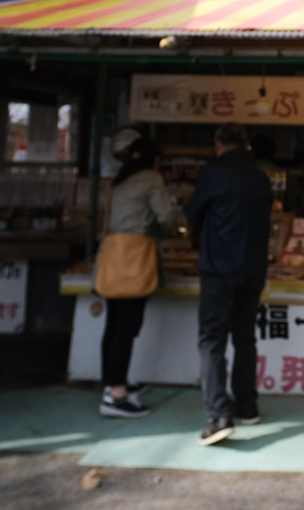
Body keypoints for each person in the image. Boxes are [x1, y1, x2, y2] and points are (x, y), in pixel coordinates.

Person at [186, 123, 273, 446]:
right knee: (245, 338)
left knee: (212, 341)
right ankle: (247, 406)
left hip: (219, 269)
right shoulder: (260, 177)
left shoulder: (213, 175)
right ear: (246, 144)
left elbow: (193, 218)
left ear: (217, 142)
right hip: (253, 269)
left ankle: (219, 415)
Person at [100, 136, 174, 418]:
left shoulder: (119, 180)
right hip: (134, 255)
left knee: (114, 323)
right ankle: (116, 395)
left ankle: (111, 383)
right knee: (127, 326)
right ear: (155, 160)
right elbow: (165, 216)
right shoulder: (152, 178)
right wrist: (167, 231)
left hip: (111, 254)